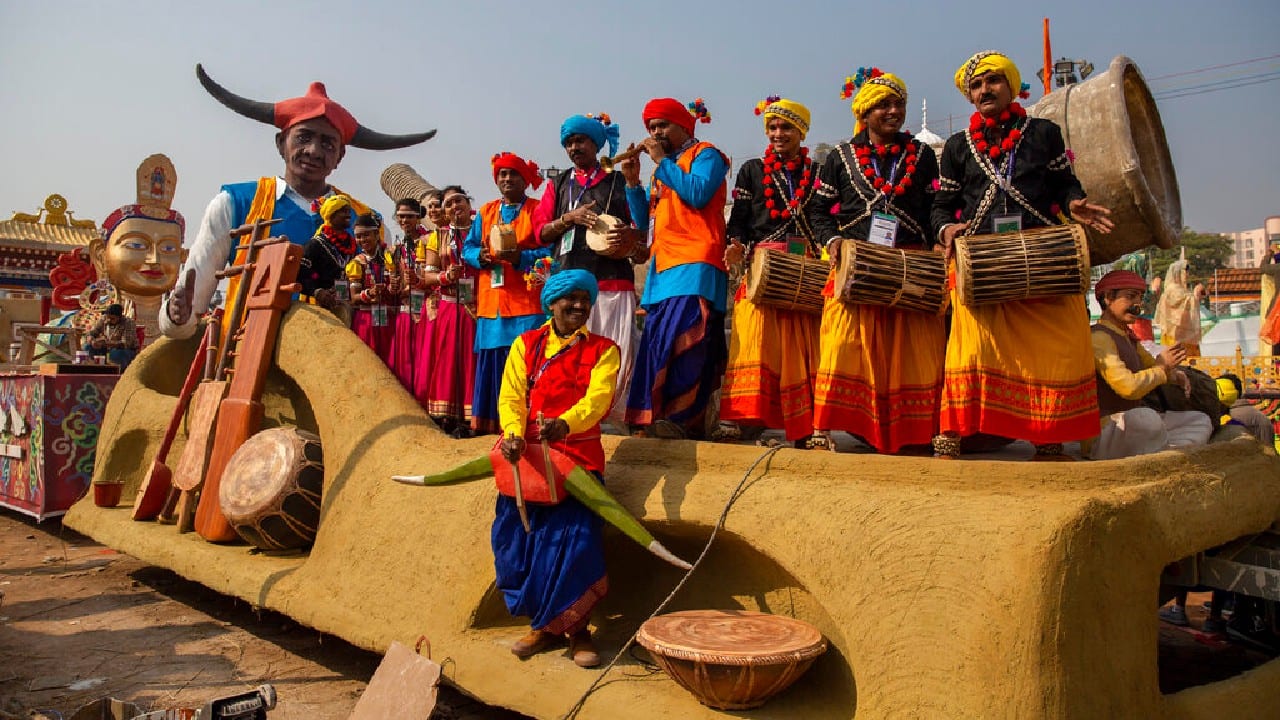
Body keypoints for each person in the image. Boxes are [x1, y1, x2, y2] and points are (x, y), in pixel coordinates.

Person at [930, 51, 1115, 460]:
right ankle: (955, 429)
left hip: (1042, 258)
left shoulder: (1043, 133)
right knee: (972, 348)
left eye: (992, 81)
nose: (984, 90)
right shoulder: (959, 146)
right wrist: (947, 230)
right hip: (984, 264)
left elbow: (1065, 183)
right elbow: (941, 205)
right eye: (975, 86)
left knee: (1053, 348)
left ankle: (1047, 434)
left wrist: (1076, 203)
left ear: (1011, 86)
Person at [162, 66, 434, 341]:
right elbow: (187, 311)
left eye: (328, 144)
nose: (314, 151)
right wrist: (177, 314)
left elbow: (381, 303)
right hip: (248, 359)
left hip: (339, 364)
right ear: (281, 143)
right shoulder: (235, 204)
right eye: (304, 137)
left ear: (340, 156)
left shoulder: (367, 220)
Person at [807, 69, 944, 454]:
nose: (894, 111)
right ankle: (825, 427)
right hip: (857, 264)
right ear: (865, 113)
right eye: (884, 105)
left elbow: (935, 207)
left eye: (898, 104)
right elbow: (818, 211)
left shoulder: (921, 155)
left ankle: (918, 431)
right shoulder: (839, 157)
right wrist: (832, 241)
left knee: (916, 350)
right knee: (842, 343)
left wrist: (939, 239)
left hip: (910, 264)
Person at [494, 269, 620, 669]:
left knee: (575, 545)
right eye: (571, 299)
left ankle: (578, 630)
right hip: (528, 461)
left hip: (578, 463)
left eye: (586, 300)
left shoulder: (605, 350)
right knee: (519, 544)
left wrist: (566, 423)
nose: (580, 306)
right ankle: (544, 627)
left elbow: (599, 399)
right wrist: (513, 433)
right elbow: (511, 395)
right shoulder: (525, 345)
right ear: (551, 303)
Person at [620, 97, 729, 440]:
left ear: (685, 127)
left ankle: (683, 420)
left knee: (687, 339)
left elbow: (697, 194)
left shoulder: (707, 154)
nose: (655, 133)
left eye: (662, 125)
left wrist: (662, 162)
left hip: (696, 261)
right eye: (651, 128)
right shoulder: (662, 169)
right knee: (658, 344)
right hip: (663, 267)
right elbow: (644, 223)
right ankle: (657, 419)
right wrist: (633, 183)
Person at [718, 96, 821, 447]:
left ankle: (804, 426)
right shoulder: (751, 170)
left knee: (800, 345)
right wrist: (735, 244)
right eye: (773, 127)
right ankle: (742, 420)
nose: (779, 134)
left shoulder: (817, 173)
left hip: (803, 268)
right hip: (763, 266)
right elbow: (742, 219)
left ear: (801, 131)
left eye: (786, 127)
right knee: (754, 342)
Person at [532, 113, 646, 425]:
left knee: (615, 352)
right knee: (570, 353)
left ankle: (614, 418)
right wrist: (569, 218)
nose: (573, 148)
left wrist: (634, 183)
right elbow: (539, 232)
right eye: (568, 143)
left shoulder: (618, 180)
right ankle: (568, 418)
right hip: (569, 281)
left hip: (612, 284)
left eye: (579, 140)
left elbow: (641, 227)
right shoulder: (558, 184)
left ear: (595, 143)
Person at [463, 153, 552, 435]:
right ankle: (491, 427)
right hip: (493, 303)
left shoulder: (537, 210)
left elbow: (549, 250)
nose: (506, 179)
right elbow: (468, 248)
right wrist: (481, 256)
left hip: (527, 302)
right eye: (502, 175)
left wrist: (519, 258)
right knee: (493, 363)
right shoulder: (486, 212)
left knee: (527, 363)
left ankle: (527, 428)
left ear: (525, 180)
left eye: (513, 174)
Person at [1088, 270, 1212, 460]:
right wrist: (1163, 370)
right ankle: (1162, 453)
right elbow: (1128, 387)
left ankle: (1162, 453)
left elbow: (1151, 367)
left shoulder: (1128, 337)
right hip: (1105, 431)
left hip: (1131, 426)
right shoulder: (1099, 337)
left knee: (1200, 420)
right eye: (1130, 297)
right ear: (1107, 298)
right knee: (1146, 419)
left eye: (1140, 297)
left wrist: (1174, 375)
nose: (1137, 305)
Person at [414, 185, 479, 436]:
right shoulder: (438, 236)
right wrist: (444, 276)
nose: (454, 207)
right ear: (444, 211)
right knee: (449, 359)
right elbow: (426, 276)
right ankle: (448, 418)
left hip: (478, 306)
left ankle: (475, 418)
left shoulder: (480, 230)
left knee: (472, 360)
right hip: (451, 306)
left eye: (458, 201)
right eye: (449, 204)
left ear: (467, 202)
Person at [387, 198, 430, 391]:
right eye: (401, 217)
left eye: (409, 217)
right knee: (404, 359)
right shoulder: (397, 249)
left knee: (425, 357)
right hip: (405, 309)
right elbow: (394, 280)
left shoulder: (430, 241)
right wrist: (393, 286)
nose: (404, 221)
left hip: (427, 306)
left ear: (419, 217)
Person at [347, 213, 399, 365]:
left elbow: (401, 286)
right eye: (358, 236)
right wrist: (369, 293)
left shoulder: (391, 257)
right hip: (367, 321)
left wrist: (394, 287)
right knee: (369, 364)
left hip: (390, 321)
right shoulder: (357, 263)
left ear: (377, 234)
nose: (362, 240)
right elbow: (354, 297)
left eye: (366, 235)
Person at [298, 194, 356, 313]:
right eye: (343, 211)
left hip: (344, 305)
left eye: (348, 211)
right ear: (331, 215)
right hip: (317, 308)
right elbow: (300, 274)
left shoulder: (352, 245)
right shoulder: (315, 244)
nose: (348, 215)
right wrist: (317, 292)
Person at [1153, 258, 1205, 357]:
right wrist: (1195, 295)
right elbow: (1181, 303)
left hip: (1183, 333)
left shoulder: (1180, 288)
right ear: (1178, 272)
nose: (1187, 275)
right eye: (1185, 272)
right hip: (1175, 334)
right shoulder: (1172, 288)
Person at [86, 303, 140, 369]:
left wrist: (106, 344)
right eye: (108, 317)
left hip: (126, 351)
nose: (109, 320)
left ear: (119, 317)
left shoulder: (128, 323)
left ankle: (118, 372)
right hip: (107, 348)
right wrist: (92, 340)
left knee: (116, 354)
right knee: (88, 347)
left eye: (112, 318)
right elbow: (92, 332)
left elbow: (126, 343)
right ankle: (94, 369)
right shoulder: (104, 319)